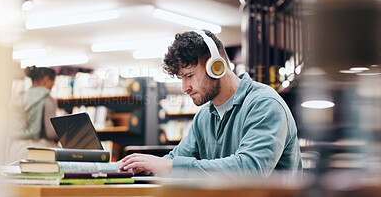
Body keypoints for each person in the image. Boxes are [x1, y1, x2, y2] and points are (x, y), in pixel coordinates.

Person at [118, 30, 302, 178]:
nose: (184, 88)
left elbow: (250, 170)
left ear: (217, 67)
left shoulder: (264, 104)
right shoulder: (205, 115)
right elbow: (177, 159)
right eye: (181, 79)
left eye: (189, 76)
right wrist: (146, 167)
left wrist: (167, 165)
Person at [5, 66, 59, 164]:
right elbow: (51, 133)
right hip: (38, 151)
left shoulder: (19, 98)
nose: (53, 86)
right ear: (46, 79)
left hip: (15, 149)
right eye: (53, 82)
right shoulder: (47, 99)